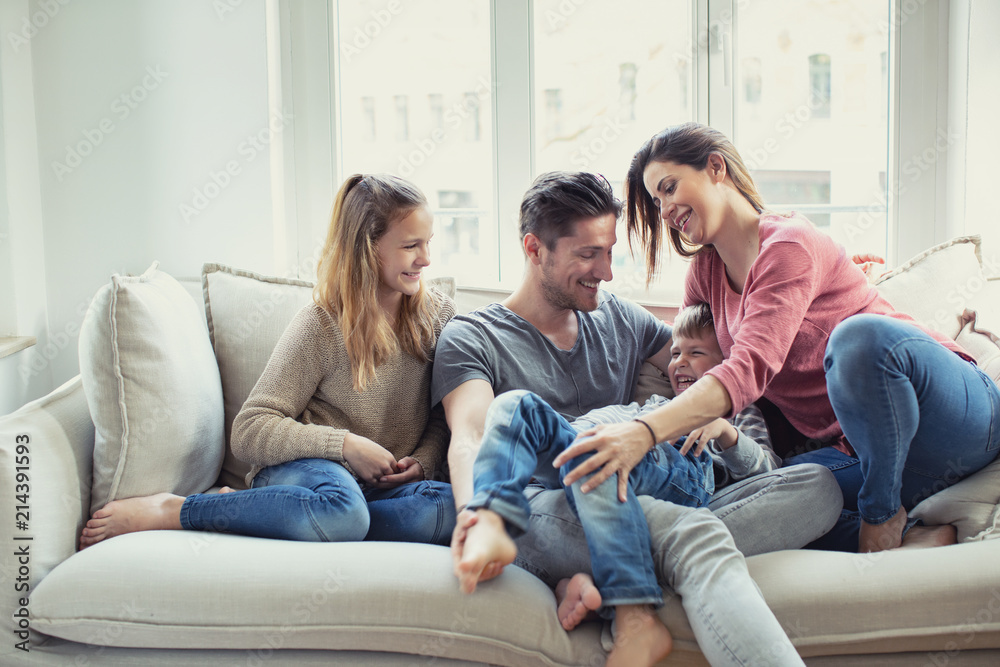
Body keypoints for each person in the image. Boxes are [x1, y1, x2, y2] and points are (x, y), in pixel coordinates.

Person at [434, 170, 830, 666]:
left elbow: (711, 371)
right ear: (535, 249)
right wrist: (475, 519)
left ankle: (604, 576)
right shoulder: (472, 336)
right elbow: (471, 435)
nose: (606, 271)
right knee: (692, 533)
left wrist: (812, 298)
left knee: (819, 486)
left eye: (609, 251)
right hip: (553, 500)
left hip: (644, 479)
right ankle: (629, 600)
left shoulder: (618, 316)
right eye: (587, 254)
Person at [581, 121, 1000, 554]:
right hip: (872, 457)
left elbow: (747, 369)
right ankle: (916, 533)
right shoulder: (705, 275)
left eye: (669, 188)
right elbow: (699, 361)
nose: (664, 209)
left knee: (856, 338)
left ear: (715, 168)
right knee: (776, 492)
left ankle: (879, 512)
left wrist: (642, 432)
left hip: (947, 419)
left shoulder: (789, 244)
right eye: (655, 200)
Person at [80, 173, 457, 548]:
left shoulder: (438, 318)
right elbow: (249, 430)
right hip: (307, 471)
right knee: (343, 509)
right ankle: (175, 510)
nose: (425, 259)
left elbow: (445, 415)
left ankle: (281, 513)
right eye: (411, 246)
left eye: (428, 243)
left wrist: (423, 461)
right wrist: (345, 446)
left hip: (375, 492)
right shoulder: (321, 325)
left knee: (448, 508)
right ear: (367, 248)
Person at [456, 302, 782, 666]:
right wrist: (549, 445)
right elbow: (592, 428)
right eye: (674, 353)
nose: (679, 362)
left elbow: (768, 470)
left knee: (597, 453)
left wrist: (724, 431)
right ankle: (491, 516)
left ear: (727, 364)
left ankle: (629, 614)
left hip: (687, 469)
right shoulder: (651, 403)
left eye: (696, 352)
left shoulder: (738, 411)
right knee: (513, 405)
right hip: (616, 451)